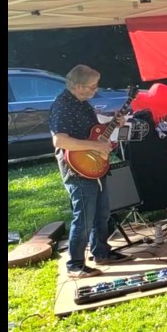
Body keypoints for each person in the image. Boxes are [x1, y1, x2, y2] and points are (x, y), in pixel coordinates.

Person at [49, 65, 131, 279]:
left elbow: (92, 134)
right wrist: (96, 147)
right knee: (84, 217)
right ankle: (75, 265)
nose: (96, 90)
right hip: (77, 168)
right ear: (78, 86)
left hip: (93, 165)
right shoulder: (63, 105)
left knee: (102, 213)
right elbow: (60, 140)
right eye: (92, 86)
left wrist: (114, 124)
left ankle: (101, 253)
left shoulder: (82, 104)